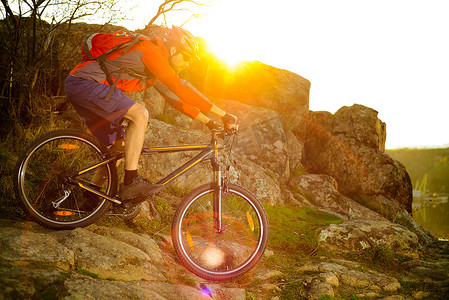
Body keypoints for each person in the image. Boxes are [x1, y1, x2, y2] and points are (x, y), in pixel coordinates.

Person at [65, 26, 237, 201]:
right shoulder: (151, 52)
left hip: (83, 86)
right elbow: (180, 87)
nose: (187, 63)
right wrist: (223, 114)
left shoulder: (156, 69)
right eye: (186, 58)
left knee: (121, 145)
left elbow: (176, 100)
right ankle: (131, 181)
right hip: (85, 84)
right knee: (140, 114)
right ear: (174, 49)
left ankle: (91, 196)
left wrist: (209, 122)